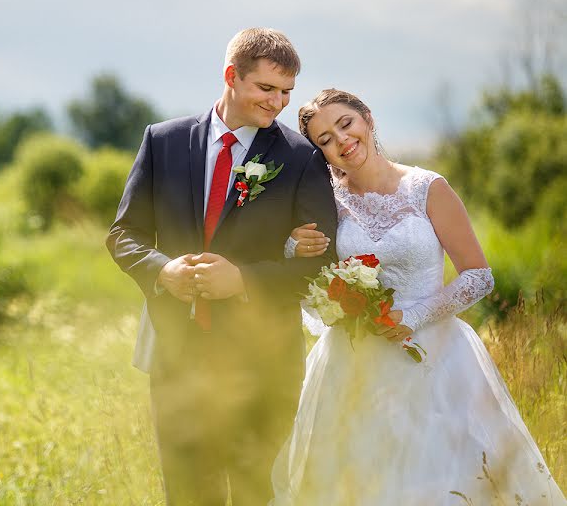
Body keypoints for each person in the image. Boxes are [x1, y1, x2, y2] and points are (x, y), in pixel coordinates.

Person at [270, 88, 567, 505]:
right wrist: (292, 248)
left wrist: (413, 318)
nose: (341, 141)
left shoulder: (427, 188)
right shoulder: (327, 202)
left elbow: (478, 276)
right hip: (353, 360)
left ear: (367, 119)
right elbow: (307, 272)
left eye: (345, 124)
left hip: (434, 356)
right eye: (325, 140)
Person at [106, 28, 338, 505]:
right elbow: (122, 235)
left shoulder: (300, 159)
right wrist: (162, 271)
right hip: (176, 351)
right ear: (232, 76)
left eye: (286, 93)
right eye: (266, 88)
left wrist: (244, 280)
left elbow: (322, 263)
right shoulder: (162, 141)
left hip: (262, 358)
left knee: (255, 491)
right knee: (188, 494)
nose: (277, 103)